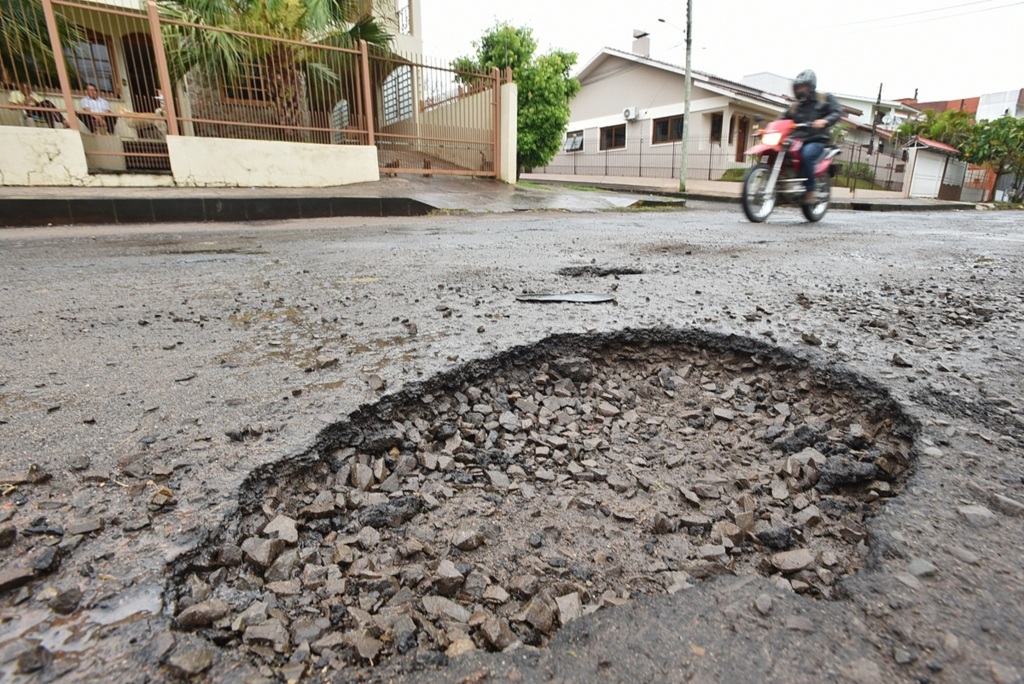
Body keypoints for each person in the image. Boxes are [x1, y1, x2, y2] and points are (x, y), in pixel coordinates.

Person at [782, 70, 841, 204]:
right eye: (798, 87)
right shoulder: (796, 107)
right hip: (797, 140)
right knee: (780, 150)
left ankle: (810, 190)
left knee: (807, 155)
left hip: (817, 140)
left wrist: (824, 121)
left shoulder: (824, 98)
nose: (800, 90)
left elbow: (836, 112)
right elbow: (783, 118)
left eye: (803, 86)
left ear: (811, 86)